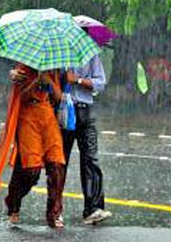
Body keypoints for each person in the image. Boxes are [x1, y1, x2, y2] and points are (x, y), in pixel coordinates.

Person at [0, 63, 66, 229]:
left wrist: (48, 80)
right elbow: (20, 97)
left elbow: (58, 97)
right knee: (31, 170)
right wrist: (35, 81)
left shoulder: (53, 68)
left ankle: (54, 214)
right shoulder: (22, 69)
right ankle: (13, 201)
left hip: (47, 116)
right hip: (27, 117)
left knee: (57, 166)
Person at [60, 54, 112, 224]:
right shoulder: (56, 53)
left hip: (85, 112)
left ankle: (93, 208)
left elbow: (100, 83)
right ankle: (55, 209)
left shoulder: (90, 53)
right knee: (59, 162)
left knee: (90, 159)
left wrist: (78, 80)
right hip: (62, 112)